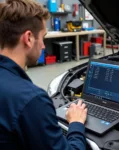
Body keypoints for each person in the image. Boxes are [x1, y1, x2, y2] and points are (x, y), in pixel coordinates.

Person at [0, 0, 87, 150]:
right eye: (43, 37)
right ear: (28, 38)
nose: (43, 45)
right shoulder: (31, 100)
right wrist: (76, 124)